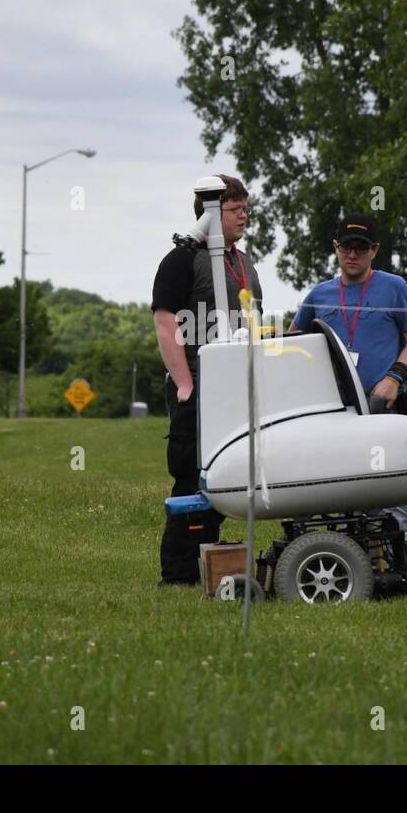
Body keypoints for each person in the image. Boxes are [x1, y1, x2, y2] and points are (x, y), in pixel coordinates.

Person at [151, 174, 263, 585]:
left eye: (245, 209)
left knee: (224, 474)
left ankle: (211, 562)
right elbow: (166, 324)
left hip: (237, 388)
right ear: (212, 212)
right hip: (197, 387)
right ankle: (178, 573)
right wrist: (185, 383)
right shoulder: (181, 260)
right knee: (190, 476)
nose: (244, 217)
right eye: (236, 210)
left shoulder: (243, 261)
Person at [291, 211, 407, 529]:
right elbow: (293, 342)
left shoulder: (394, 287)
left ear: (374, 250)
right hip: (332, 410)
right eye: (346, 246)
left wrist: (394, 378)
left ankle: (399, 557)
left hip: (381, 405)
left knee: (388, 483)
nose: (352, 254)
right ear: (336, 247)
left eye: (361, 248)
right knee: (339, 481)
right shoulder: (319, 294)